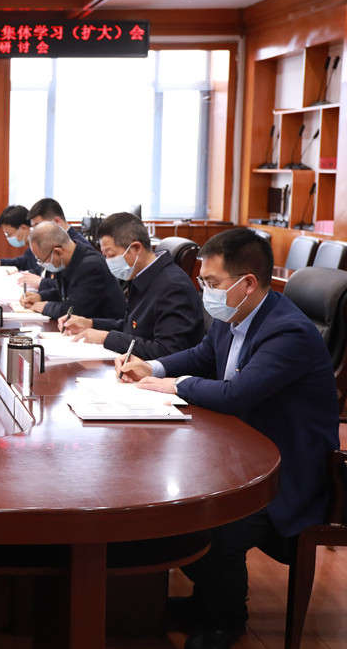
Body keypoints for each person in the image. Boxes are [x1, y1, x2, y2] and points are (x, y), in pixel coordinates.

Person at [117, 227, 340, 649]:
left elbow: (237, 395)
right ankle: (205, 602)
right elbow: (203, 356)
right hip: (240, 450)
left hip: (286, 470)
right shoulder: (234, 316)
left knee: (215, 526)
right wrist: (153, 367)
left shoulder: (288, 332)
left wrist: (174, 385)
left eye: (212, 282)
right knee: (170, 502)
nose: (205, 291)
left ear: (248, 283)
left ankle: (227, 621)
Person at [59, 212, 205, 359]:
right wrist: (91, 323)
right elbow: (133, 328)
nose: (107, 261)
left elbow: (168, 352)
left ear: (136, 248)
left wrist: (106, 338)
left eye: (111, 255)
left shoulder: (172, 287)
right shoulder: (142, 275)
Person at [20, 221, 126, 320]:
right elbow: (68, 292)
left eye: (41, 259)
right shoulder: (69, 258)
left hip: (106, 327)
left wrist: (45, 307)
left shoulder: (91, 267)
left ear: (58, 252)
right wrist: (40, 297)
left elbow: (75, 310)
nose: (41, 264)